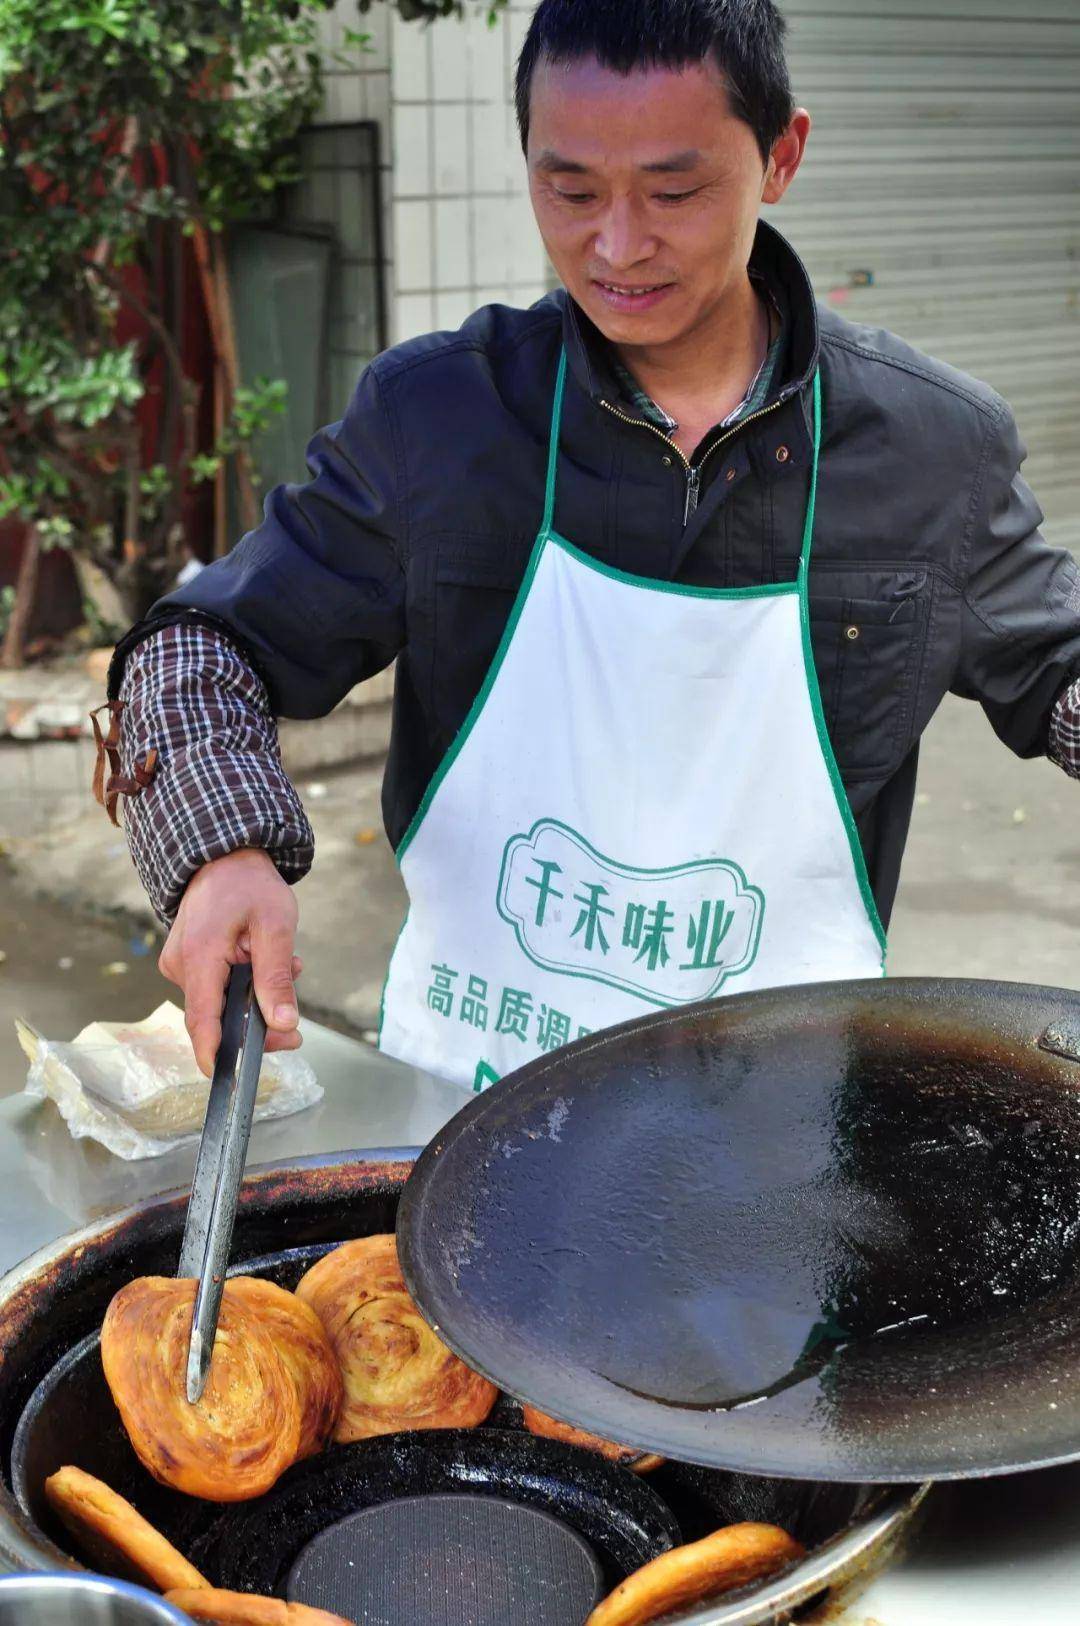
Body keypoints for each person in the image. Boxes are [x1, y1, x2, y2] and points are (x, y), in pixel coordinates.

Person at [101, 0, 1080, 1089]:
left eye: (674, 191)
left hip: (781, 1134)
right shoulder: (439, 420)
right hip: (466, 1101)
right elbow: (198, 646)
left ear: (782, 156)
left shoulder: (930, 449)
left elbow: (1060, 666)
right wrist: (221, 847)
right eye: (569, 191)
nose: (617, 246)